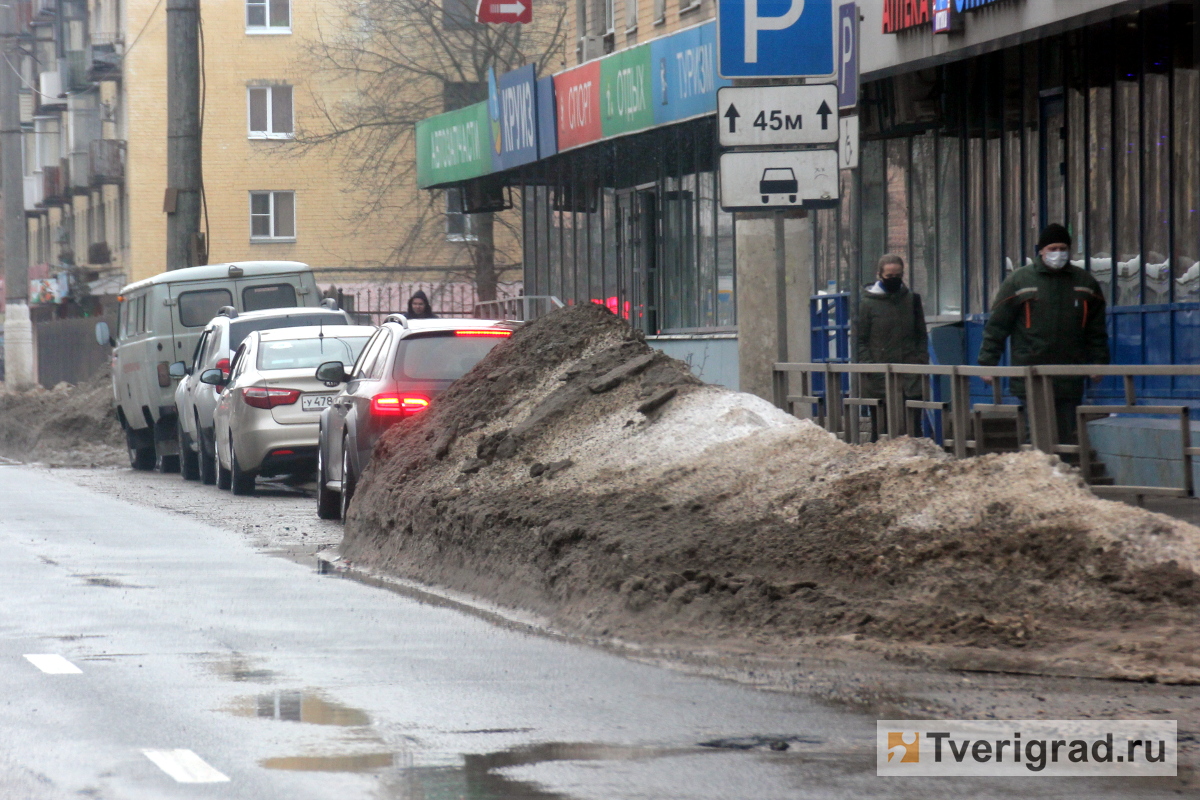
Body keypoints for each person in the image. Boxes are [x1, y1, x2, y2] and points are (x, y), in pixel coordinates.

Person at [977, 223, 1109, 444]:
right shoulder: (1020, 281)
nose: (1058, 254)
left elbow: (1096, 330)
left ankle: (1058, 475)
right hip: (1031, 371)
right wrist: (987, 363)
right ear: (1041, 250)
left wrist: (1099, 361)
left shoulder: (1084, 283)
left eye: (1062, 248)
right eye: (1053, 249)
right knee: (1036, 435)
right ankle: (1038, 474)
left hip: (1070, 372)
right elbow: (998, 325)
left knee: (1065, 436)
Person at [855, 254, 929, 439]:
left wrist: (920, 359)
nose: (894, 280)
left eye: (898, 276)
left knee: (914, 429)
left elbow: (921, 333)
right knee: (881, 431)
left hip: (910, 375)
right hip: (880, 377)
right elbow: (860, 340)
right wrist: (871, 367)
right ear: (879, 275)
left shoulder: (912, 300)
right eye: (889, 276)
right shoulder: (867, 304)